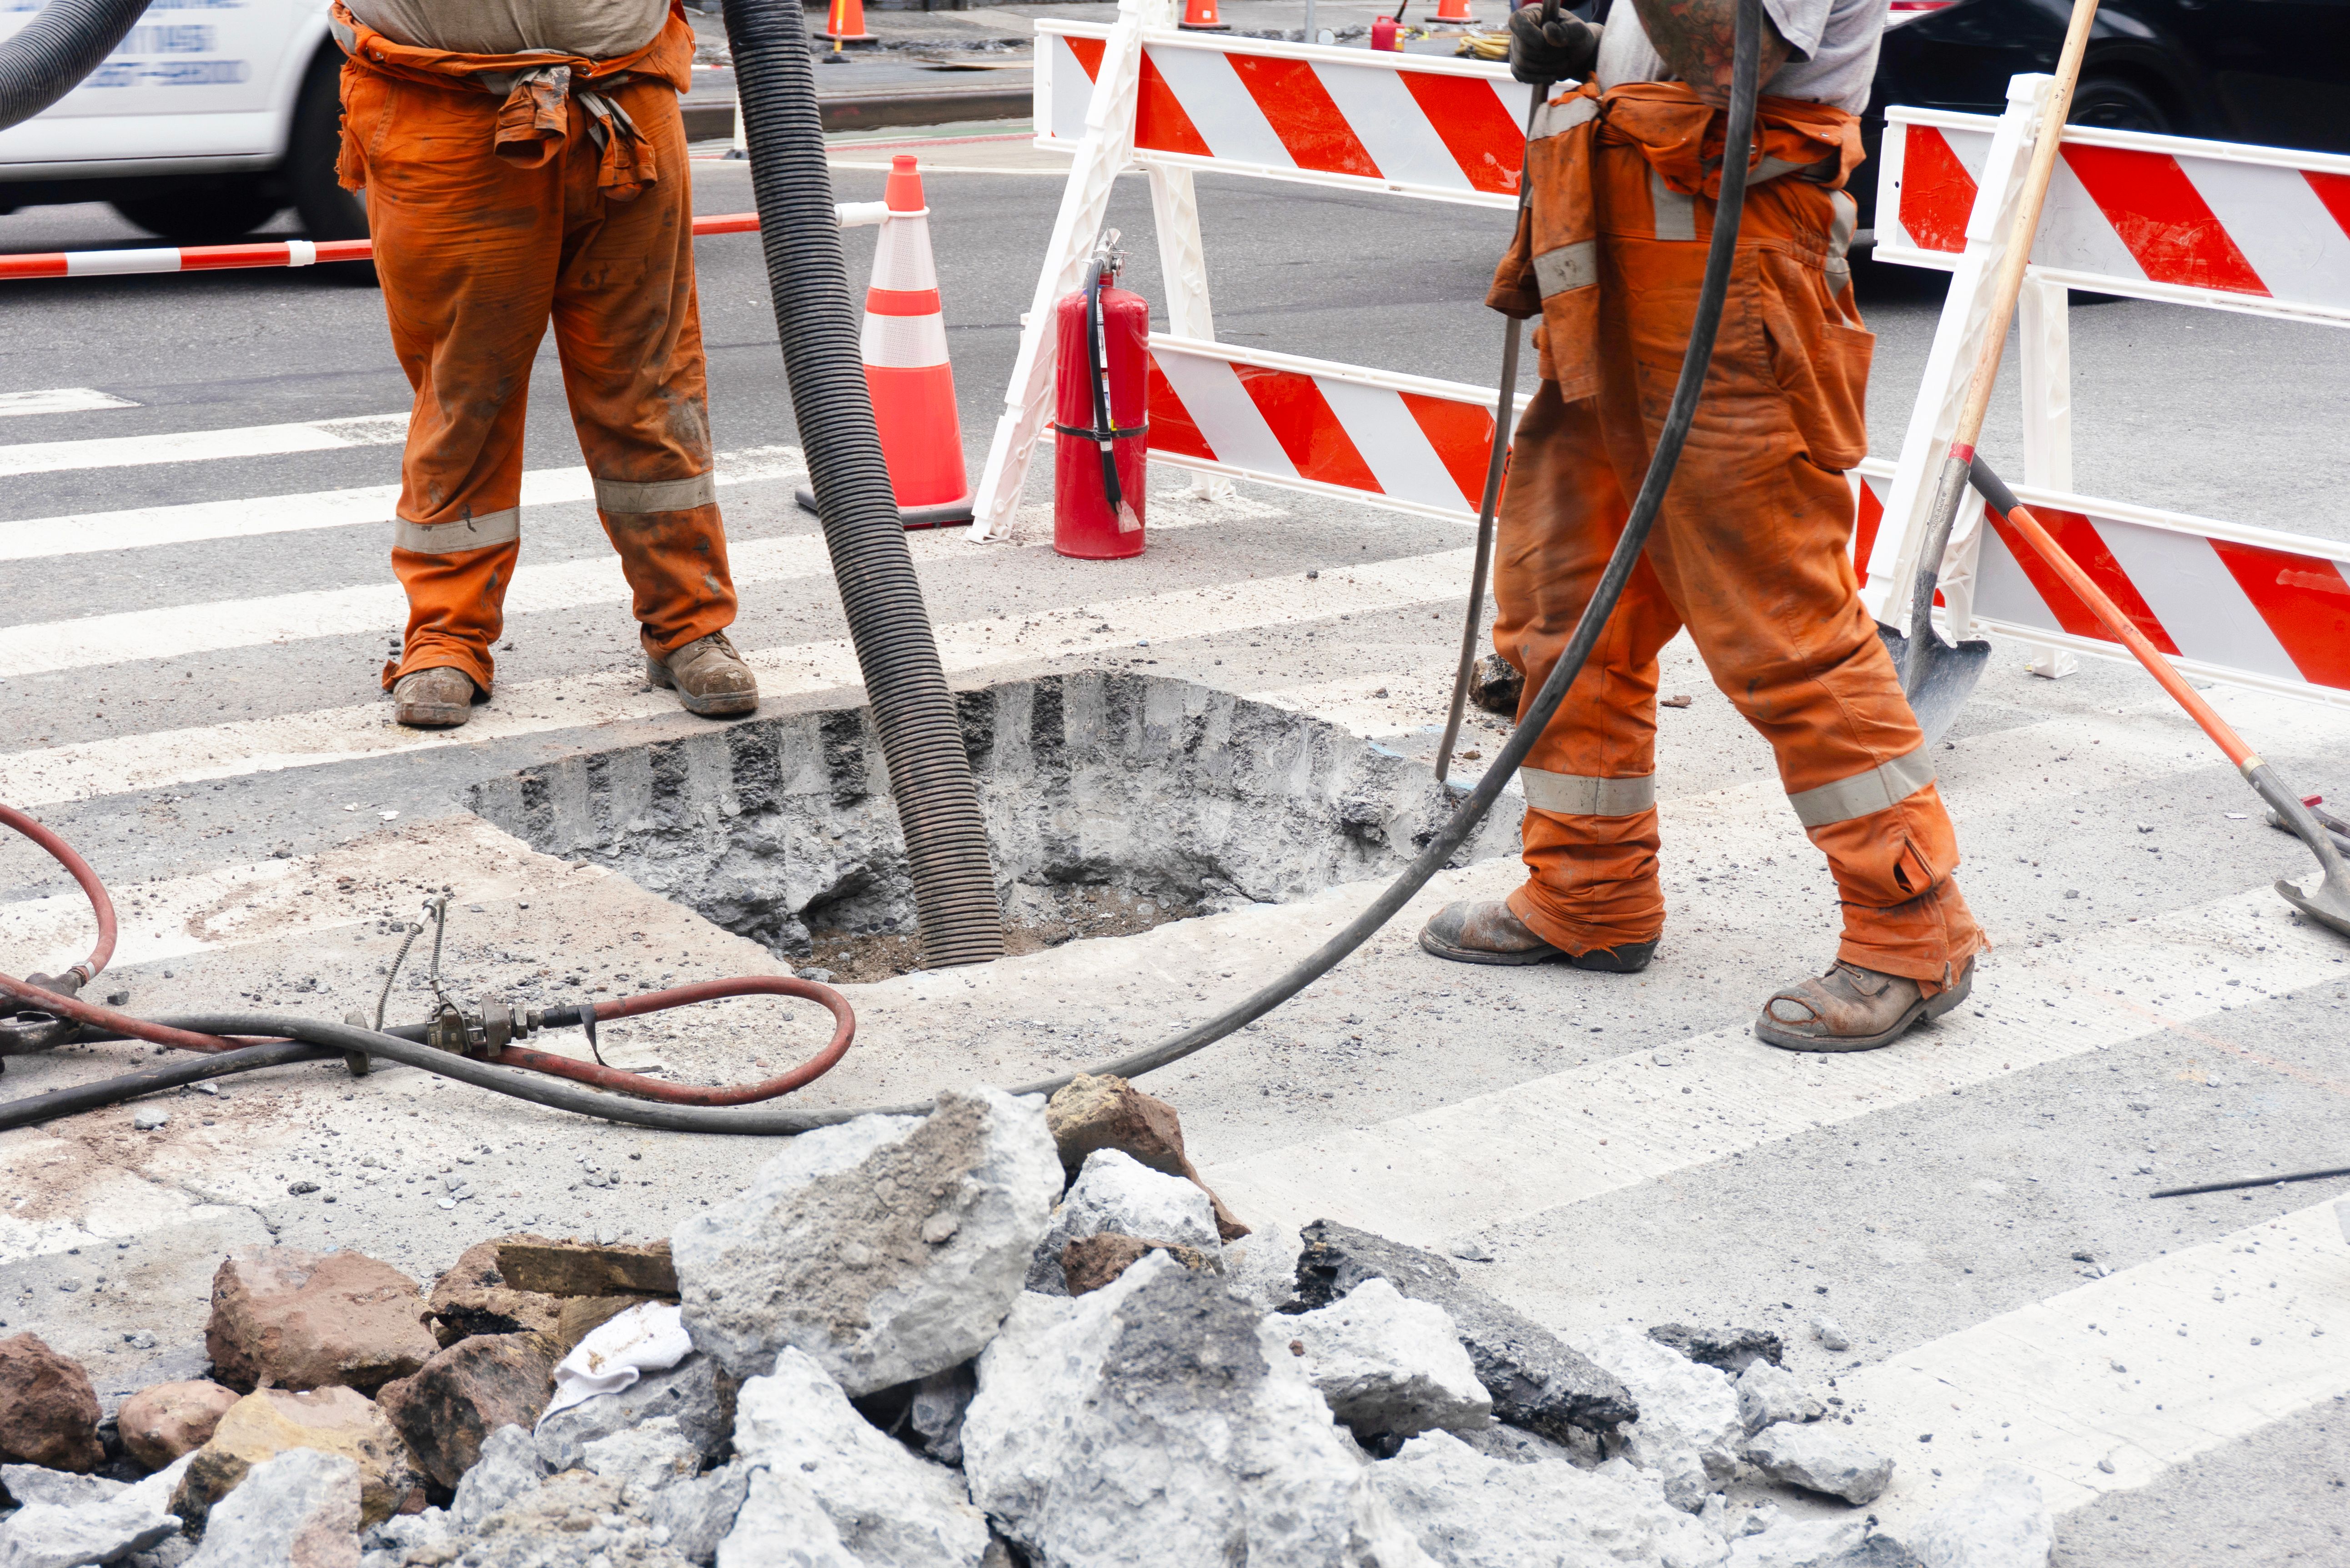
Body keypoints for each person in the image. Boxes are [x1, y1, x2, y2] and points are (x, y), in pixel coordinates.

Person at [1417, 0, 1985, 1052]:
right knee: (1567, 606)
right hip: (1614, 287)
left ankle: (1912, 929)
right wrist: (1587, 51)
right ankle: (1588, 890)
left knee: (1782, 628)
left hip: (1733, 298)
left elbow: (1736, 51)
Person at [331, 0, 758, 729]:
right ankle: (447, 637)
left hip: (623, 97)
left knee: (648, 385)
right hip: (442, 107)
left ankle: (687, 622)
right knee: (465, 392)